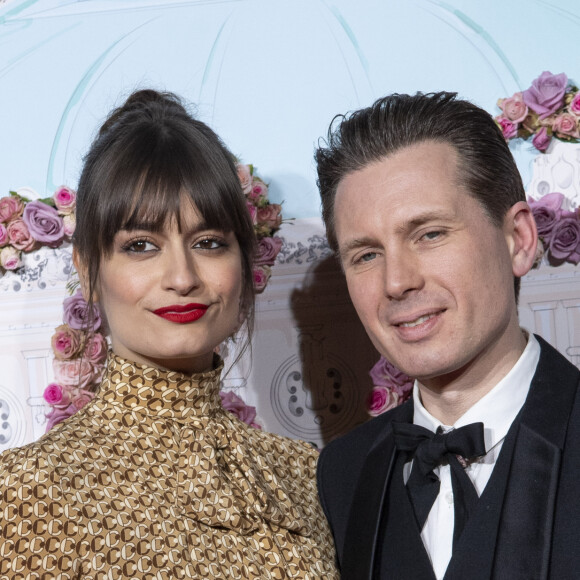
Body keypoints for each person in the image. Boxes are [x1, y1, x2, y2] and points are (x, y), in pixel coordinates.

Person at [0, 90, 338, 579]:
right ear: (90, 269)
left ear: (242, 262)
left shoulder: (306, 475)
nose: (182, 277)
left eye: (208, 243)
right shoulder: (26, 495)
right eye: (141, 245)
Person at [314, 91, 580, 579]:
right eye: (366, 254)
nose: (397, 282)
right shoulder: (342, 474)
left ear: (518, 240)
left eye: (429, 234)